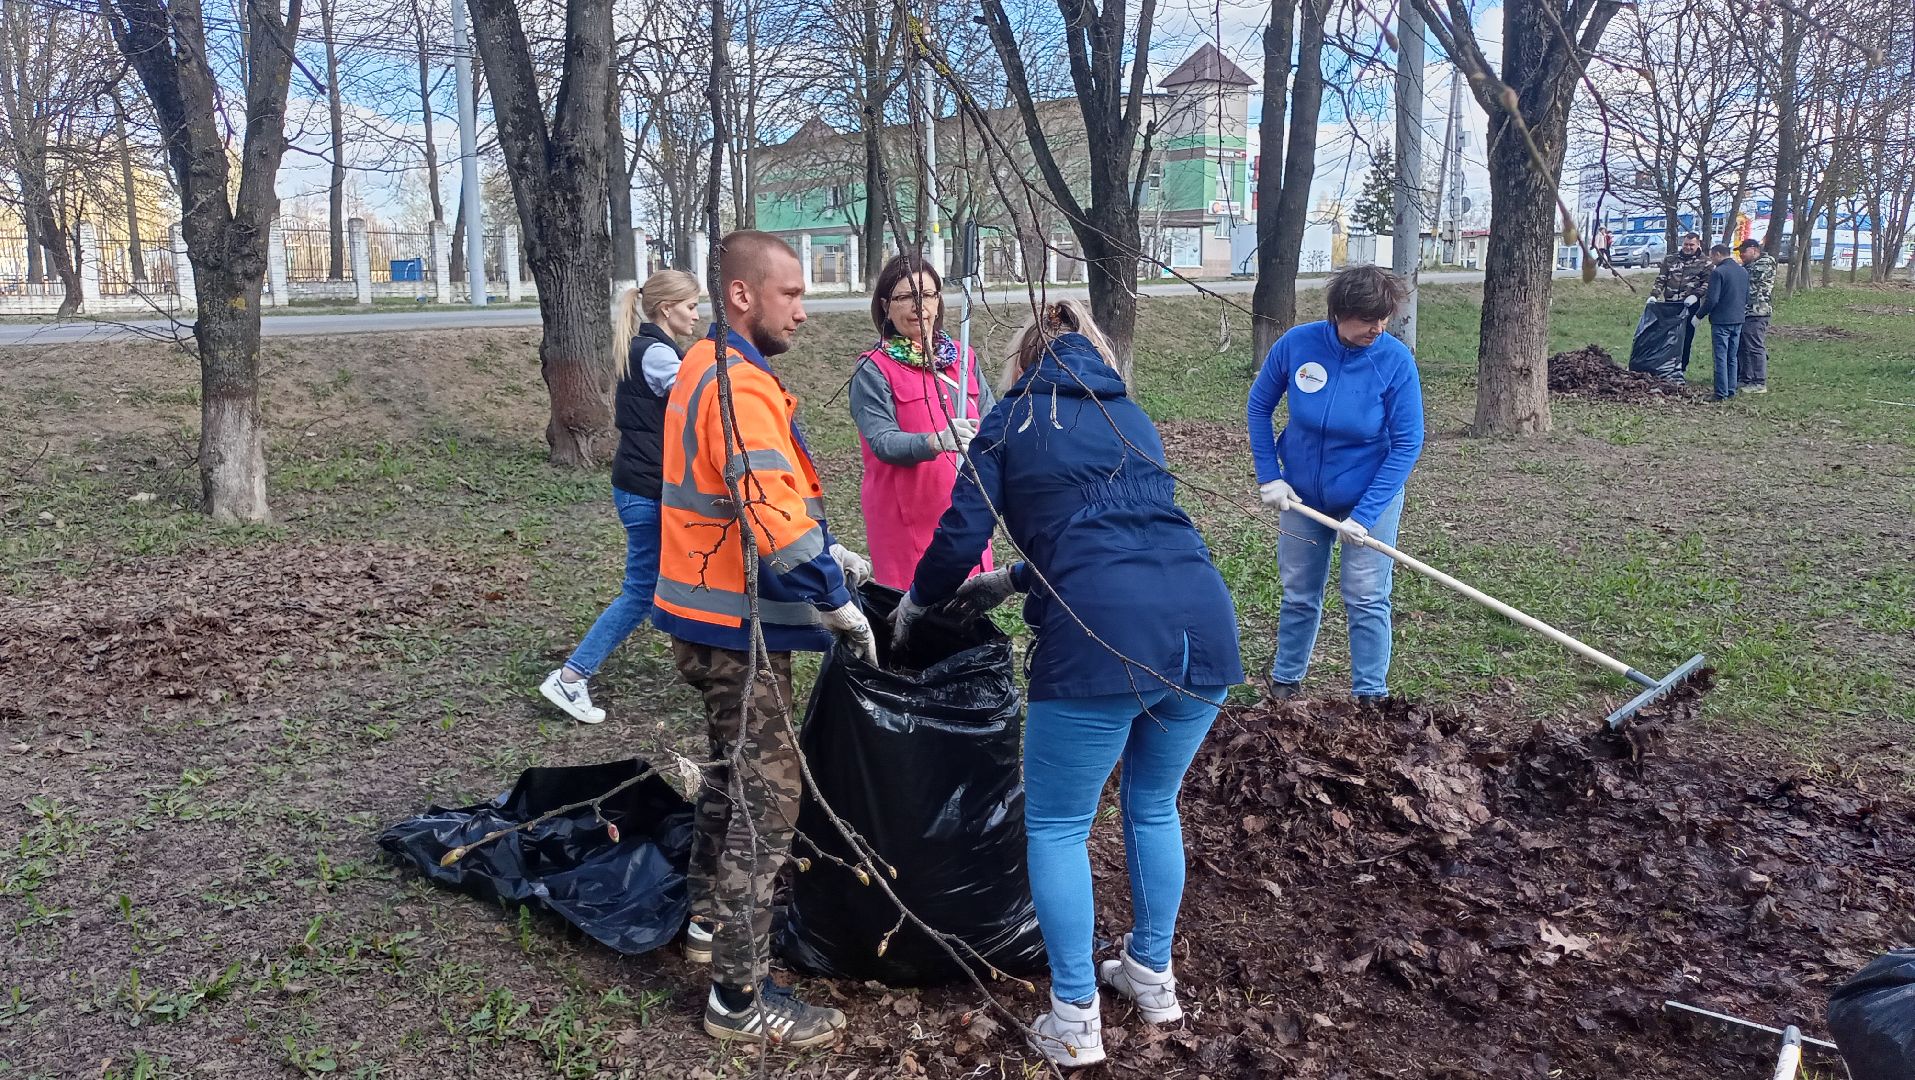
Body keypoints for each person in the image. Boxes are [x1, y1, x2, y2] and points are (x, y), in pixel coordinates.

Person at [890, 300, 1242, 1070]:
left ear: (1021, 363)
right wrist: (1014, 580)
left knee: (1056, 827)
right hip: (1201, 624)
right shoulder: (1129, 416)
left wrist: (920, 600)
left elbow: (960, 532)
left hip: (1101, 638)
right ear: (1096, 358)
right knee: (1152, 804)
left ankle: (1075, 1013)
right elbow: (1114, 521)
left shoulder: (1011, 417)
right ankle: (1151, 976)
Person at [653, 230, 876, 1049]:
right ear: (742, 295)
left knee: (725, 775)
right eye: (791, 294)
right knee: (766, 804)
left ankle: (707, 924)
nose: (804, 311)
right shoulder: (735, 384)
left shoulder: (704, 367)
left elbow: (744, 495)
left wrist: (835, 555)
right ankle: (738, 1001)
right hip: (733, 628)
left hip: (704, 615)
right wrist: (831, 600)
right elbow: (773, 516)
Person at [1246, 264, 1424, 704]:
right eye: (1368, 319)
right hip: (1302, 497)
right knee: (1299, 592)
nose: (1378, 328)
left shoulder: (1394, 361)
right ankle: (1285, 684)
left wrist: (1364, 517)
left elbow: (1407, 443)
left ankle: (1370, 695)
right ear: (1339, 312)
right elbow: (1258, 407)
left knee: (1365, 596)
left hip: (1369, 497)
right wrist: (1271, 476)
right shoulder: (1297, 345)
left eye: (1384, 318)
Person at [538, 270, 701, 724]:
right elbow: (701, 399)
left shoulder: (651, 349)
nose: (696, 314)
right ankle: (570, 678)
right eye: (690, 306)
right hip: (646, 490)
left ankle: (704, 663)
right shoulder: (658, 356)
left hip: (643, 485)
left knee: (674, 580)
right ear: (666, 309)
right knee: (640, 592)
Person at [850, 253, 995, 589]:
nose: (919, 306)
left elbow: (993, 422)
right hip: (907, 526)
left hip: (965, 518)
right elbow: (882, 441)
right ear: (886, 306)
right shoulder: (873, 368)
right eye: (905, 297)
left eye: (928, 295)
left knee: (969, 620)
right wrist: (935, 441)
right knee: (919, 626)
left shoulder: (963, 359)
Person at [1699, 242, 1749, 402]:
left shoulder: (1718, 272)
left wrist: (1699, 315)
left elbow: (1712, 299)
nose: (1711, 259)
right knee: (1732, 356)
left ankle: (1720, 393)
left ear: (1718, 254)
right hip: (1738, 318)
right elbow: (1746, 295)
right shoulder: (1743, 271)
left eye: (1712, 256)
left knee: (1720, 356)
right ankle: (1731, 389)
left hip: (1721, 320)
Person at [1654, 233, 1712, 370]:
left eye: (1691, 245)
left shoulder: (1705, 262)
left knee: (1686, 337)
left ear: (1698, 244)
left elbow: (1707, 283)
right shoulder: (1670, 259)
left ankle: (1681, 367)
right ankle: (1664, 364)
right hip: (1670, 304)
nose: (1688, 247)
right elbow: (1661, 278)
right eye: (1686, 244)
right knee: (1667, 336)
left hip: (1690, 305)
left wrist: (1696, 296)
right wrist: (1654, 294)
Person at [1737, 238, 1775, 394]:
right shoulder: (1746, 266)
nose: (1741, 256)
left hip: (1758, 311)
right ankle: (1746, 378)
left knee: (1755, 347)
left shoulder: (1766, 262)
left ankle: (1759, 381)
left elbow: (1749, 277)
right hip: (1745, 311)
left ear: (1754, 249)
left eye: (1743, 252)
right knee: (1743, 347)